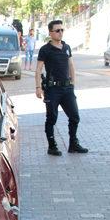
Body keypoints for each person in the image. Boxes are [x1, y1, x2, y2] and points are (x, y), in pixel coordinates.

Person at [35, 20, 88, 156]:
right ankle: (52, 146)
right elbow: (39, 69)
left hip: (67, 89)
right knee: (51, 118)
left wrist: (73, 84)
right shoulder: (45, 49)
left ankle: (73, 144)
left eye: (62, 30)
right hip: (53, 89)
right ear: (51, 33)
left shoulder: (66, 47)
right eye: (57, 30)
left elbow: (71, 66)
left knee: (74, 116)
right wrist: (38, 87)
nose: (60, 33)